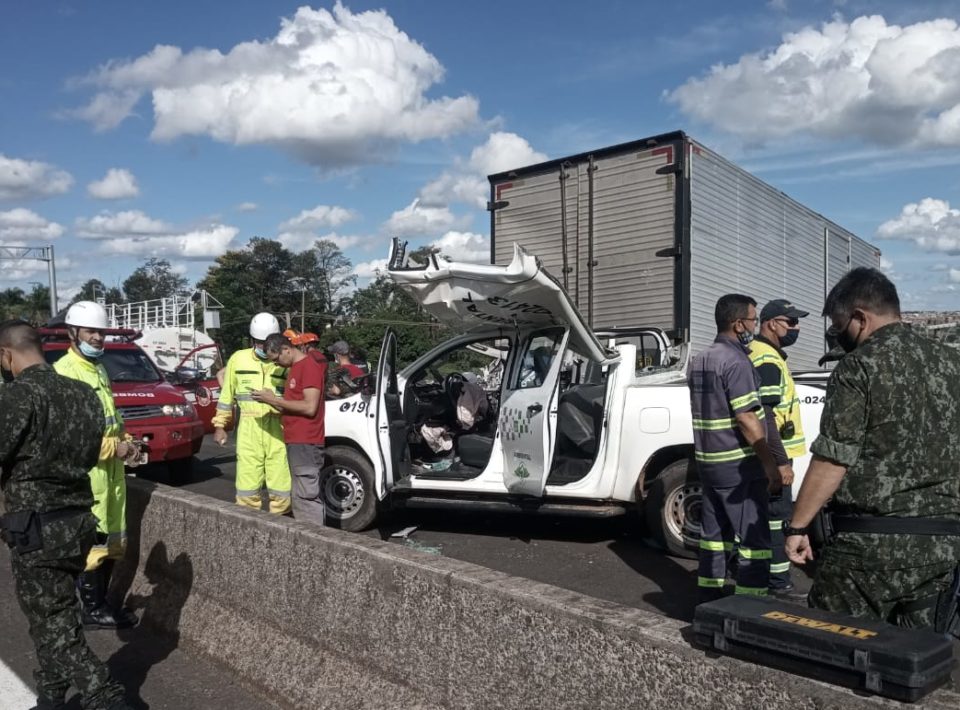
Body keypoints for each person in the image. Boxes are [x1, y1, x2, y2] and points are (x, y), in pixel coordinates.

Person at [786, 267, 960, 632]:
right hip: (943, 546)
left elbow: (834, 457)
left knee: (833, 650)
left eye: (838, 326)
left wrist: (798, 525)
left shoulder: (859, 366)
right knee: (918, 661)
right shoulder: (952, 363)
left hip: (867, 551)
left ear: (860, 318)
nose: (838, 335)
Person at [0, 320, 133, 710]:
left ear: (6, 354)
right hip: (79, 522)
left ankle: (106, 697)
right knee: (56, 616)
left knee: (53, 622)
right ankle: (52, 697)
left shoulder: (17, 396)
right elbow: (92, 453)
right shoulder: (83, 394)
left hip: (35, 528)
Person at [688, 294, 782, 602]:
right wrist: (769, 464)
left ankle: (707, 600)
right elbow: (747, 419)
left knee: (714, 537)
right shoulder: (737, 361)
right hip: (737, 466)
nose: (754, 326)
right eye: (753, 320)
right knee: (754, 539)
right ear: (738, 323)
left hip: (708, 463)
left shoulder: (700, 359)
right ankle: (749, 605)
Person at [54, 301, 139, 629]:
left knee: (109, 541)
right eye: (91, 331)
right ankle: (91, 610)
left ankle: (100, 602)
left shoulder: (98, 368)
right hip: (89, 474)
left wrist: (128, 441)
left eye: (101, 331)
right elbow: (69, 437)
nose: (99, 337)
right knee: (92, 543)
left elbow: (110, 418)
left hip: (111, 474)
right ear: (73, 333)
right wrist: (113, 447)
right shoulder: (65, 372)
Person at [749, 299, 809, 601]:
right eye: (791, 322)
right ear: (771, 323)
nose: (796, 328)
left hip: (764, 457)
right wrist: (781, 463)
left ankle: (764, 576)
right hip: (774, 457)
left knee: (762, 518)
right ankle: (780, 584)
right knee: (778, 518)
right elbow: (766, 416)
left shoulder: (761, 353)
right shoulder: (768, 360)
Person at [212, 313, 292, 514]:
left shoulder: (284, 363)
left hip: (279, 429)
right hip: (249, 429)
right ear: (252, 340)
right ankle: (248, 528)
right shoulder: (238, 359)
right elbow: (226, 396)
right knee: (247, 488)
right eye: (259, 342)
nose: (263, 347)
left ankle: (280, 526)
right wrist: (220, 426)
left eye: (267, 343)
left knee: (281, 488)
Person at [252, 333, 327, 526]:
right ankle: (308, 539)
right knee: (301, 495)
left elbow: (309, 407)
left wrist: (274, 400)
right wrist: (272, 401)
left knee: (306, 496)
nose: (277, 364)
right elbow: (293, 405)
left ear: (286, 349)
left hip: (306, 442)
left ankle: (315, 541)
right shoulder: (295, 368)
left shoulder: (309, 367)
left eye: (276, 359)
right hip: (297, 441)